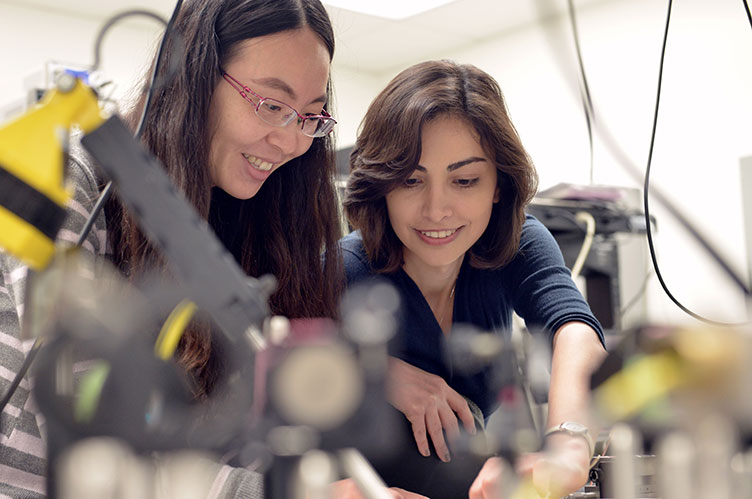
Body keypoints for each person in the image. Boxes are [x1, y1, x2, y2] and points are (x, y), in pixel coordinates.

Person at [0, 1, 347, 497]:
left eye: (311, 117)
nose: (291, 141)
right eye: (272, 105)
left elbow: (231, 439)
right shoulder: (61, 180)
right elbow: (91, 428)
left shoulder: (243, 217)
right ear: (191, 75)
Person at [340, 60, 608, 498]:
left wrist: (568, 448)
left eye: (464, 180)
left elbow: (575, 329)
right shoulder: (346, 269)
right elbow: (265, 372)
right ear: (382, 184)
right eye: (410, 180)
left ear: (498, 185)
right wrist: (375, 373)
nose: (436, 210)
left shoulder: (513, 242)